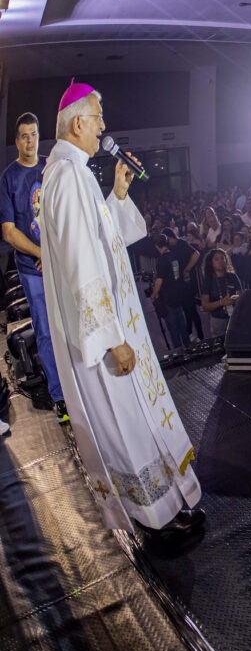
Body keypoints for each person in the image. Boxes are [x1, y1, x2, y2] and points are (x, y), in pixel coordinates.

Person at [40, 82, 203, 537]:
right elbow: (81, 262)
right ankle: (154, 521)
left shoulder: (70, 173)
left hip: (109, 329)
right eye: (98, 118)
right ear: (78, 123)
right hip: (102, 340)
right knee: (123, 423)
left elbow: (99, 238)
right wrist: (112, 338)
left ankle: (166, 504)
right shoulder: (68, 176)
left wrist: (117, 195)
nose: (104, 126)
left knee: (134, 419)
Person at [0, 111, 65, 422]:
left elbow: (64, 214)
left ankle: (80, 384)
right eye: (24, 136)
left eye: (34, 135)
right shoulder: (9, 177)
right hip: (31, 268)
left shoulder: (50, 168)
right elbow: (9, 231)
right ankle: (60, 395)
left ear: (40, 137)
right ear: (17, 141)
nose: (29, 141)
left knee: (69, 324)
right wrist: (41, 252)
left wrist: (53, 252)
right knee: (45, 330)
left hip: (60, 262)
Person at [198, 247, 243, 337]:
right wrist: (222, 302)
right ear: (211, 262)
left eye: (223, 258)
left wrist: (236, 299)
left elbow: (241, 296)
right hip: (218, 320)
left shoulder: (233, 276)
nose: (221, 261)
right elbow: (205, 306)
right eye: (217, 259)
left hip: (234, 318)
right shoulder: (208, 281)